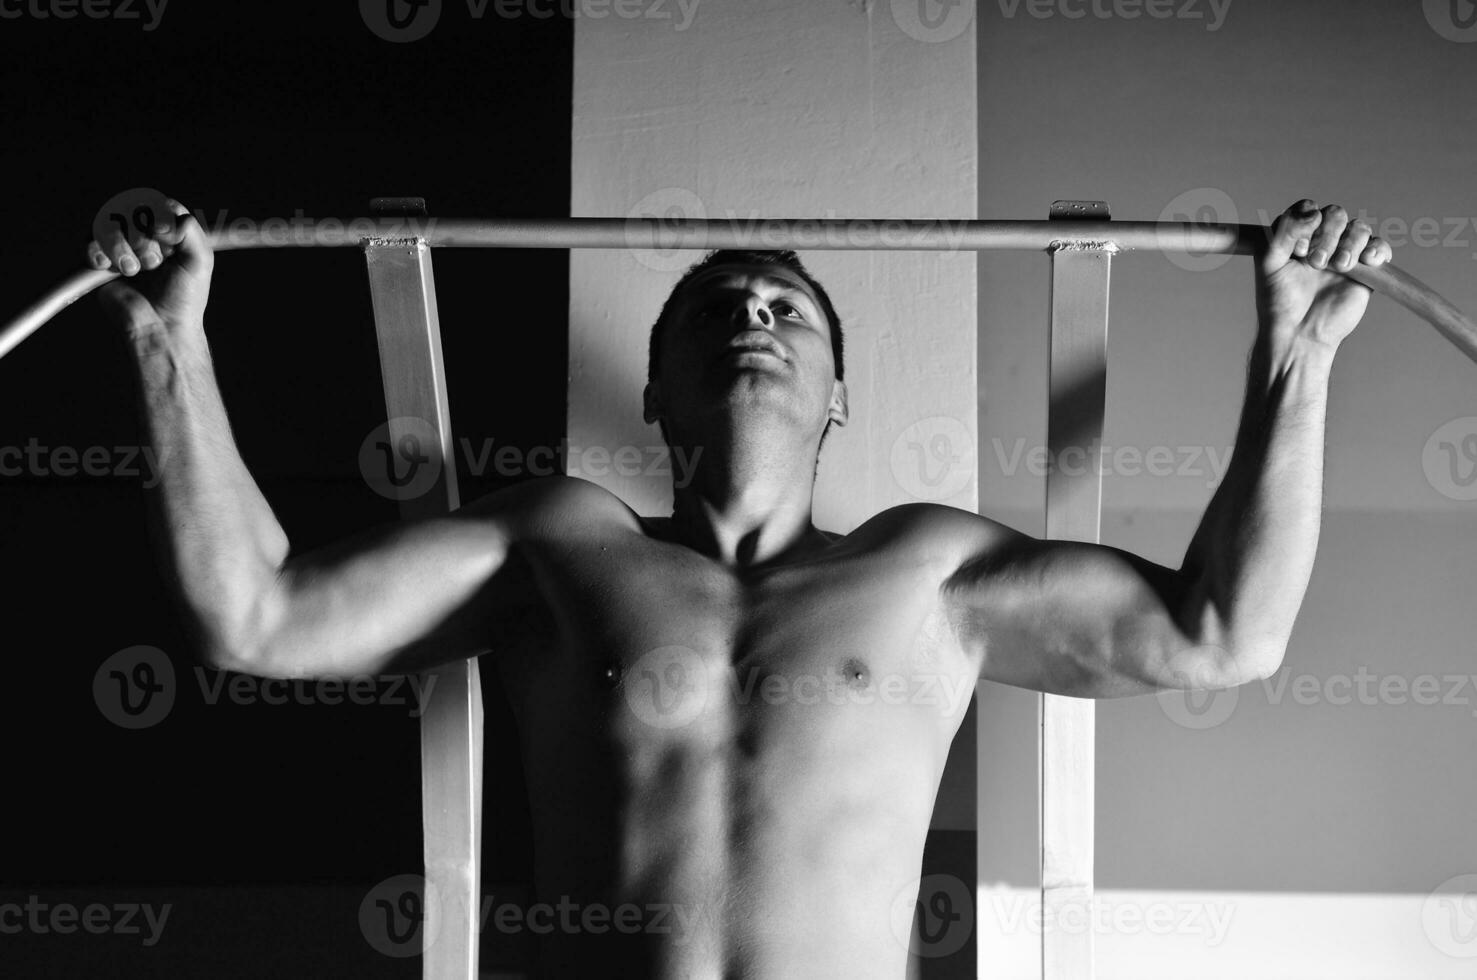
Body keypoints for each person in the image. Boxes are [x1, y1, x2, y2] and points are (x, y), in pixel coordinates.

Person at [89, 196, 1390, 979]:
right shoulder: (562, 544)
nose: (755, 313)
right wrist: (165, 343)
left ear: (839, 397)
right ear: (656, 391)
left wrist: (1297, 349)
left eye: (788, 307)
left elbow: (1226, 633)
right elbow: (252, 616)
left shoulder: (925, 568)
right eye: (719, 305)